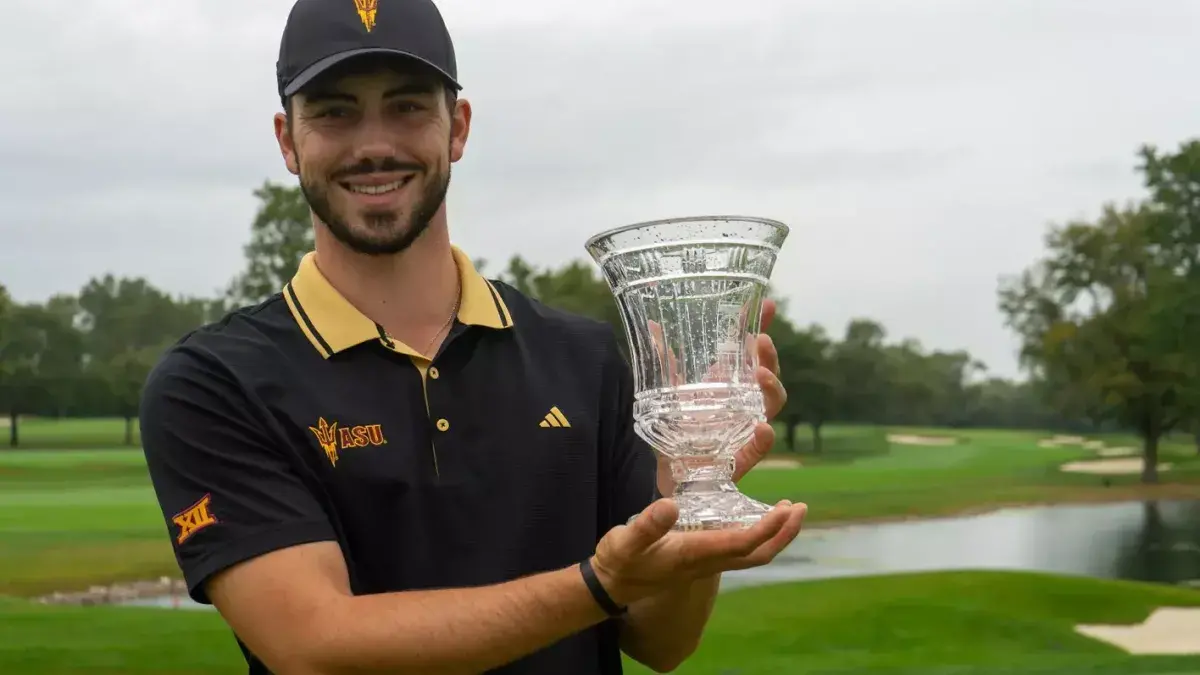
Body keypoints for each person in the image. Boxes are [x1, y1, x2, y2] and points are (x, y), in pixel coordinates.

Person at [138, 0, 807, 673]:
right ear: (289, 140)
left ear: (457, 128)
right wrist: (598, 583)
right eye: (336, 111)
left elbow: (662, 641)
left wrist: (689, 490)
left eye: (407, 107)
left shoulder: (583, 357)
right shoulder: (214, 382)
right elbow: (317, 646)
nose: (374, 143)